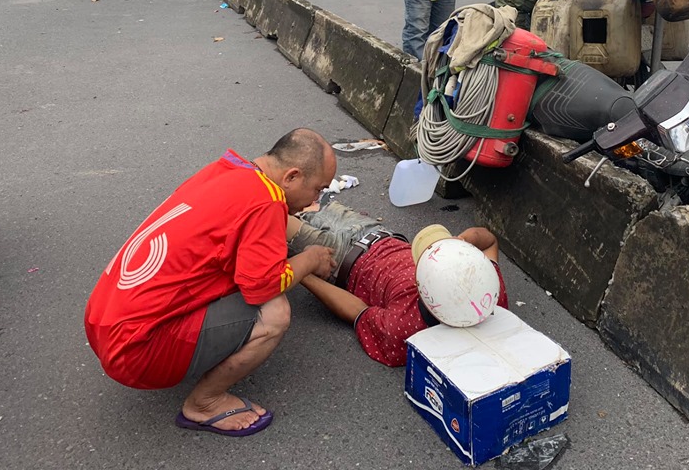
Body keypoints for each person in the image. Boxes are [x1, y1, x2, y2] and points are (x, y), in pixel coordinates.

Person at [84, 129, 338, 437]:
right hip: (135, 353)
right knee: (275, 312)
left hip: (101, 319)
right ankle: (204, 403)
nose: (316, 200)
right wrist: (310, 259)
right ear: (292, 176)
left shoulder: (228, 169)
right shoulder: (267, 201)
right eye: (317, 189)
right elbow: (263, 285)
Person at [289, 203, 509, 366]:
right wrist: (462, 241)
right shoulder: (491, 294)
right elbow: (488, 240)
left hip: (339, 258)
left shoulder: (405, 328)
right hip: (374, 232)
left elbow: (357, 311)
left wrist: (304, 274)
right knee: (305, 199)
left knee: (275, 215)